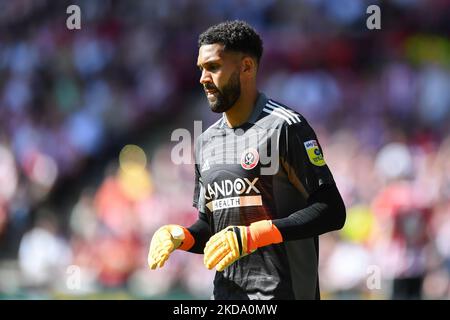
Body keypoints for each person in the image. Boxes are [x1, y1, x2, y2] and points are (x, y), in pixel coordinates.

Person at [148, 20, 346, 300]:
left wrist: (256, 235)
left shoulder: (285, 127)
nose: (203, 78)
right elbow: (211, 227)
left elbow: (332, 210)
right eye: (201, 69)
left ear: (247, 68)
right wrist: (181, 235)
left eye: (213, 67)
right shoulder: (206, 142)